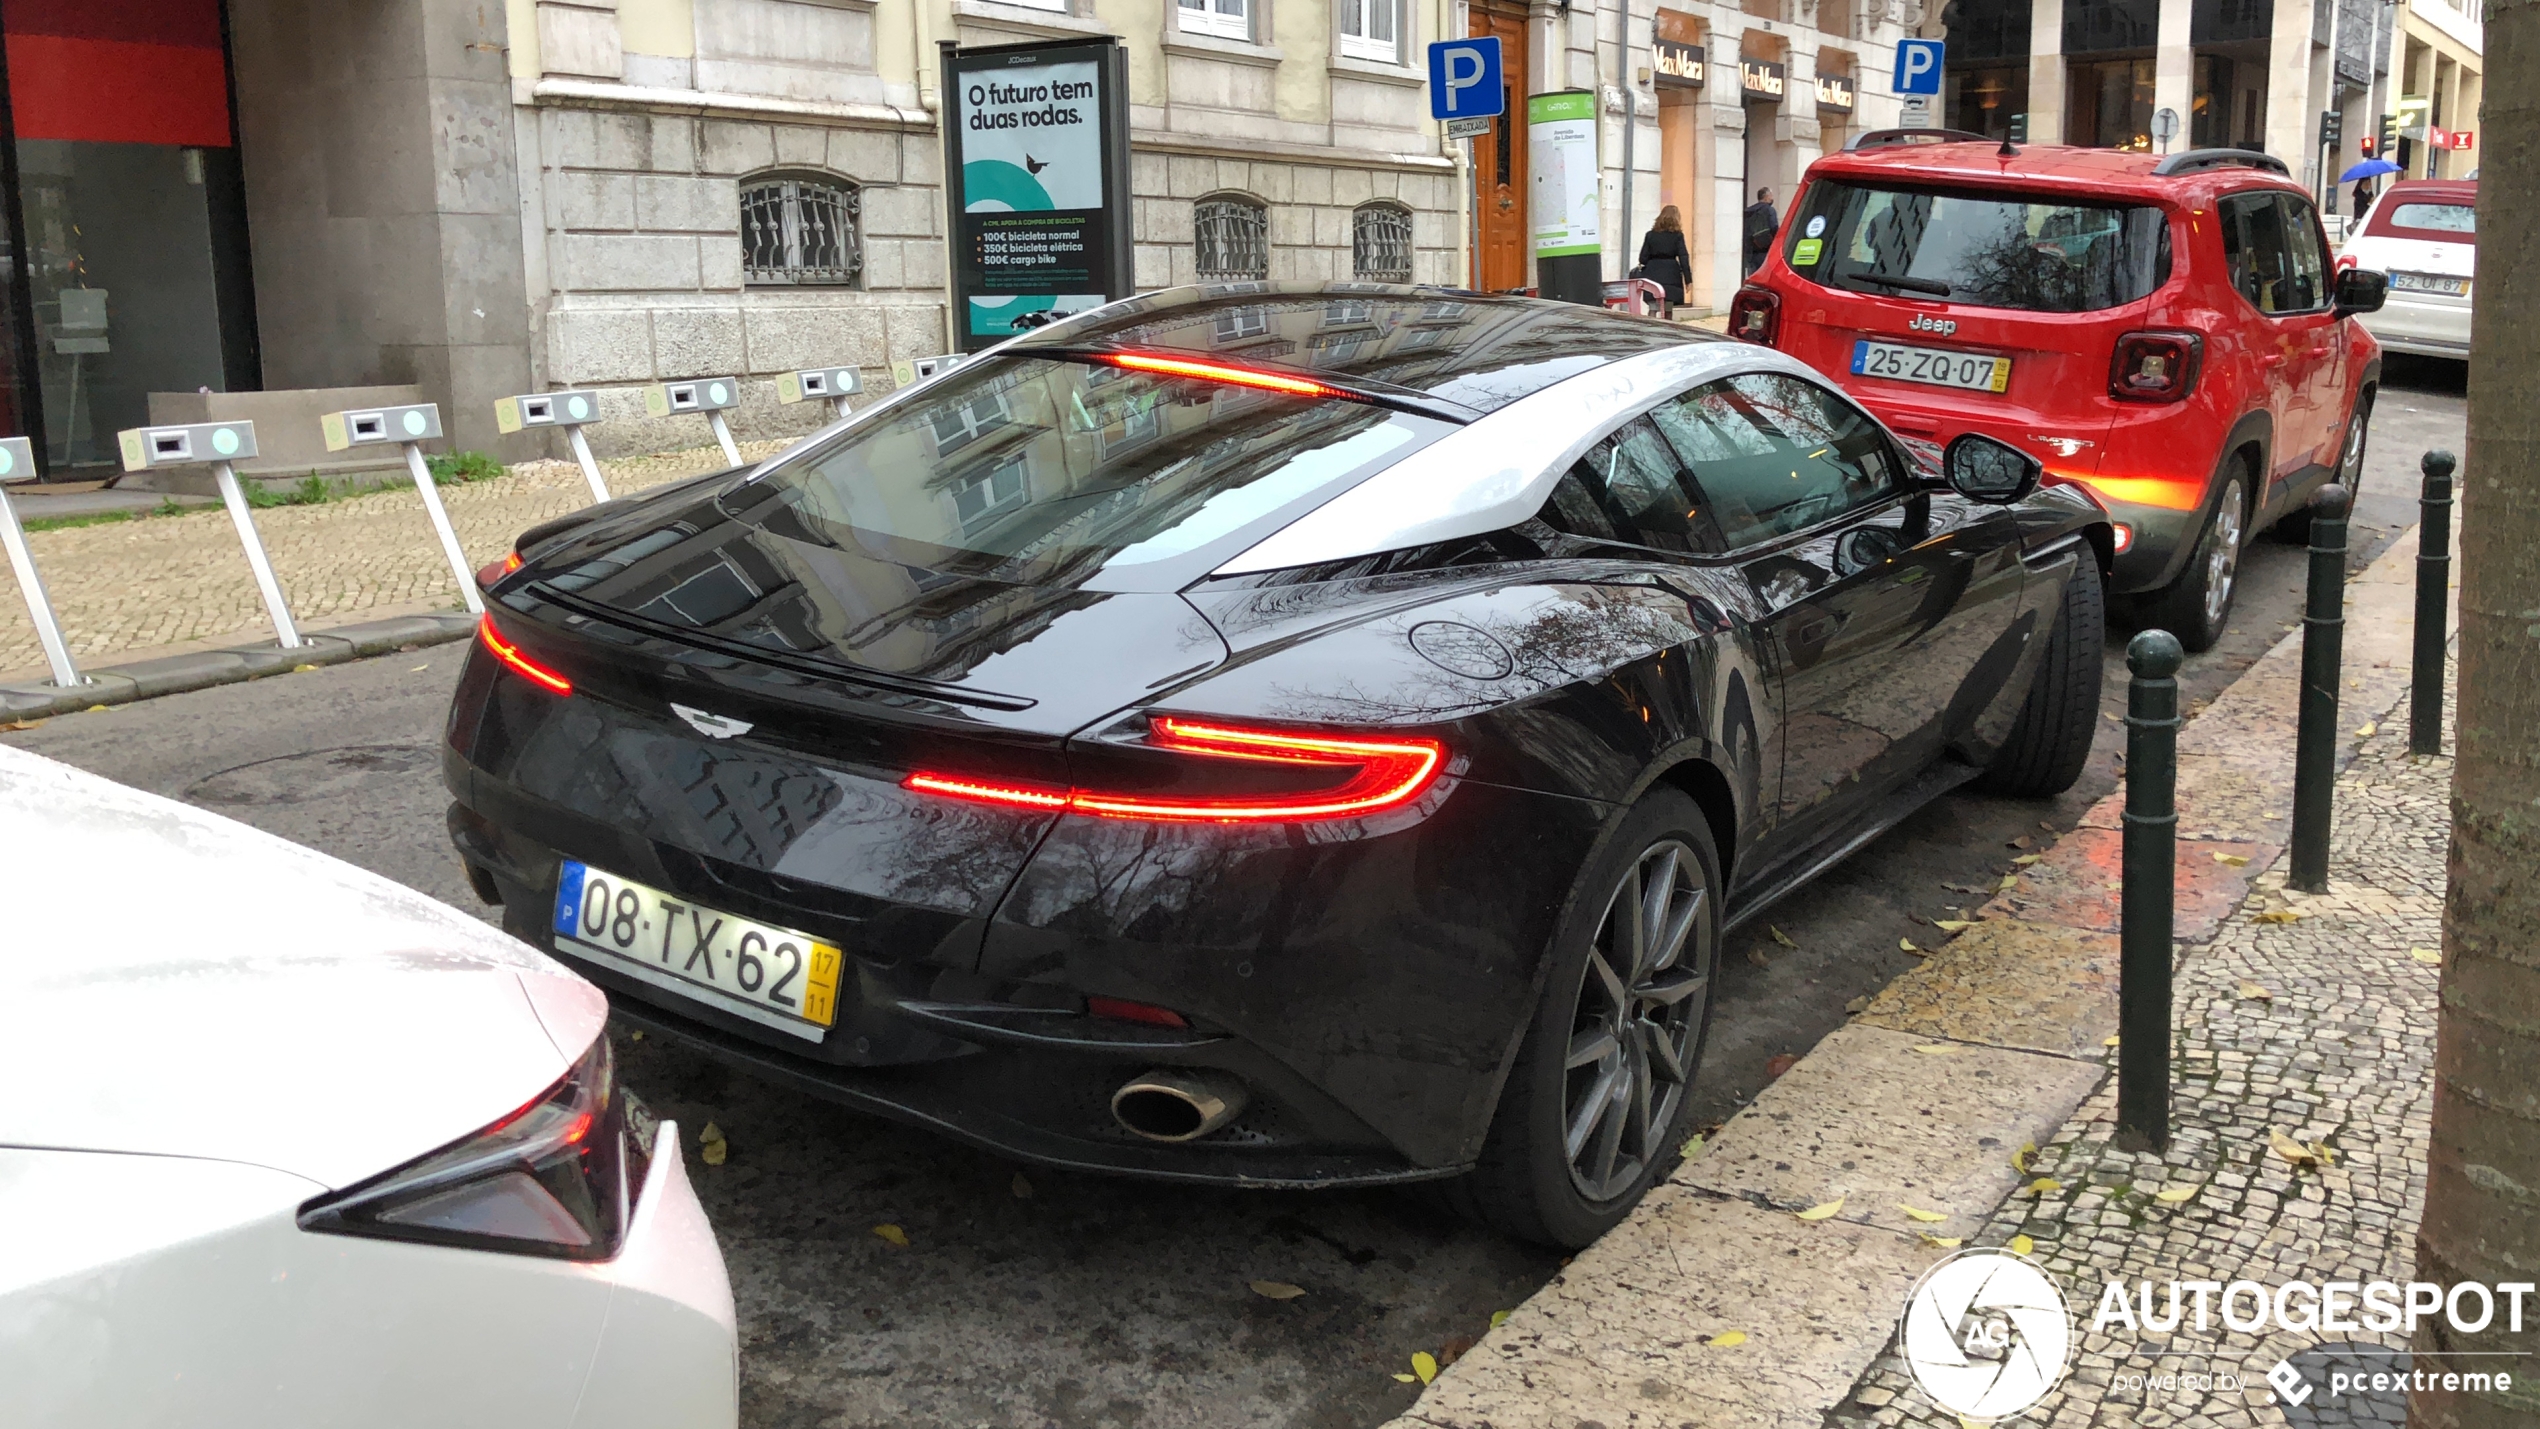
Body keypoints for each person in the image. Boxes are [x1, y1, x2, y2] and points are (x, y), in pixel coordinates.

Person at [1636, 205, 1691, 312]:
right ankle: (1667, 328)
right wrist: (1688, 280)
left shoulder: (1650, 235)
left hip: (1653, 273)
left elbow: (1642, 258)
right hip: (1671, 274)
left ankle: (1650, 327)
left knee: (1653, 307)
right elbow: (1684, 257)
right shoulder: (1678, 236)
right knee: (1668, 308)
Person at [1743, 186, 1780, 277]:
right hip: (1765, 250)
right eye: (1771, 195)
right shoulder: (1769, 210)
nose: (1772, 198)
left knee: (1753, 277)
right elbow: (1774, 228)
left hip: (1749, 251)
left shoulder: (1747, 212)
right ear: (1766, 197)